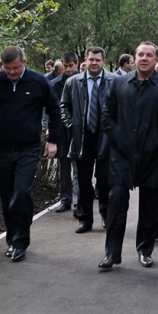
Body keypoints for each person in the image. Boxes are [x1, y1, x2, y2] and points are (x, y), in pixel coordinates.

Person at [98, 42, 158, 269]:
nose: (144, 58)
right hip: (122, 154)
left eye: (149, 55)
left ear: (156, 60)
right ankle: (112, 253)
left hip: (154, 155)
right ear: (135, 58)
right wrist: (118, 136)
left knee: (150, 206)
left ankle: (145, 250)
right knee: (116, 201)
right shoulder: (119, 83)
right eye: (140, 54)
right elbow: (107, 114)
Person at [0, 46, 61, 262]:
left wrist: (52, 141)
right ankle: (12, 239)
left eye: (16, 68)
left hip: (28, 148)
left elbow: (54, 110)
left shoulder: (38, 82)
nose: (11, 72)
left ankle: (20, 241)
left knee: (21, 192)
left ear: (24, 62)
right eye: (7, 68)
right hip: (2, 147)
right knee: (7, 196)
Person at [61, 46, 116, 234]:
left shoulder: (114, 81)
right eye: (91, 59)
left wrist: (115, 131)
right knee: (83, 183)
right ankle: (85, 220)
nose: (94, 63)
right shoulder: (73, 82)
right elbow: (64, 106)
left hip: (105, 138)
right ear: (85, 60)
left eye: (97, 60)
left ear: (104, 61)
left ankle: (106, 216)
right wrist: (71, 125)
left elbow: (122, 107)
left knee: (105, 182)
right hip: (81, 139)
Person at [51, 52, 79, 214]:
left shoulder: (82, 81)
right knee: (64, 165)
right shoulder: (55, 84)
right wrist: (49, 127)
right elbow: (51, 108)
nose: (68, 69)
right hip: (61, 129)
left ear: (77, 64)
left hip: (79, 129)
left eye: (71, 66)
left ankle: (79, 200)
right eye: (65, 66)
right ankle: (65, 199)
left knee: (79, 166)